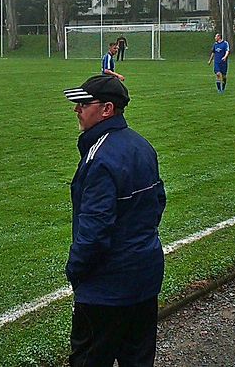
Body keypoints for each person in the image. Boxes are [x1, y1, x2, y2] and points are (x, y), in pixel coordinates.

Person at [61, 74, 166, 367]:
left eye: (84, 104)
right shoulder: (142, 145)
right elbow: (158, 202)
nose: (77, 110)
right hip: (145, 279)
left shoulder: (100, 159)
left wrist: (75, 270)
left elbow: (94, 231)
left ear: (107, 109)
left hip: (106, 290)